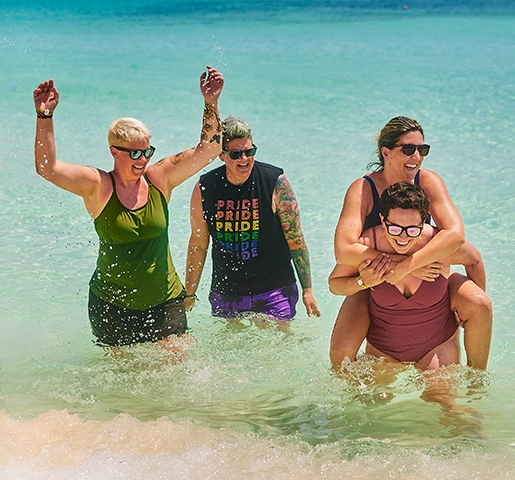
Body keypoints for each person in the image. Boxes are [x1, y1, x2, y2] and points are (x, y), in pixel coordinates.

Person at [32, 66, 224, 347]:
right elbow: (46, 168)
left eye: (147, 151)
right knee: (122, 385)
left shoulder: (159, 178)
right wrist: (44, 116)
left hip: (165, 301)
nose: (143, 159)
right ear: (114, 151)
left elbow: (209, 149)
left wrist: (211, 102)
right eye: (135, 152)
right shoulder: (98, 185)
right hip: (112, 306)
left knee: (181, 372)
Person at [329, 116, 492, 369]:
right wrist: (404, 266)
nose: (416, 156)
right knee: (341, 356)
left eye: (422, 149)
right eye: (408, 149)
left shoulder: (427, 181)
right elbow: (344, 250)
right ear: (386, 152)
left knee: (478, 304)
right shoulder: (363, 188)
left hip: (427, 282)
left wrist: (411, 267)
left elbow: (456, 235)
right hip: (376, 281)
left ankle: (476, 382)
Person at [184, 115, 321, 320]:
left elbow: (295, 238)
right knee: (230, 350)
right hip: (227, 290)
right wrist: (189, 293)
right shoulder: (206, 187)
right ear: (222, 155)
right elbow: (198, 244)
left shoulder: (275, 181)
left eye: (249, 152)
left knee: (276, 347)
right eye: (236, 154)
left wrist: (307, 290)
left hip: (275, 288)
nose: (244, 159)